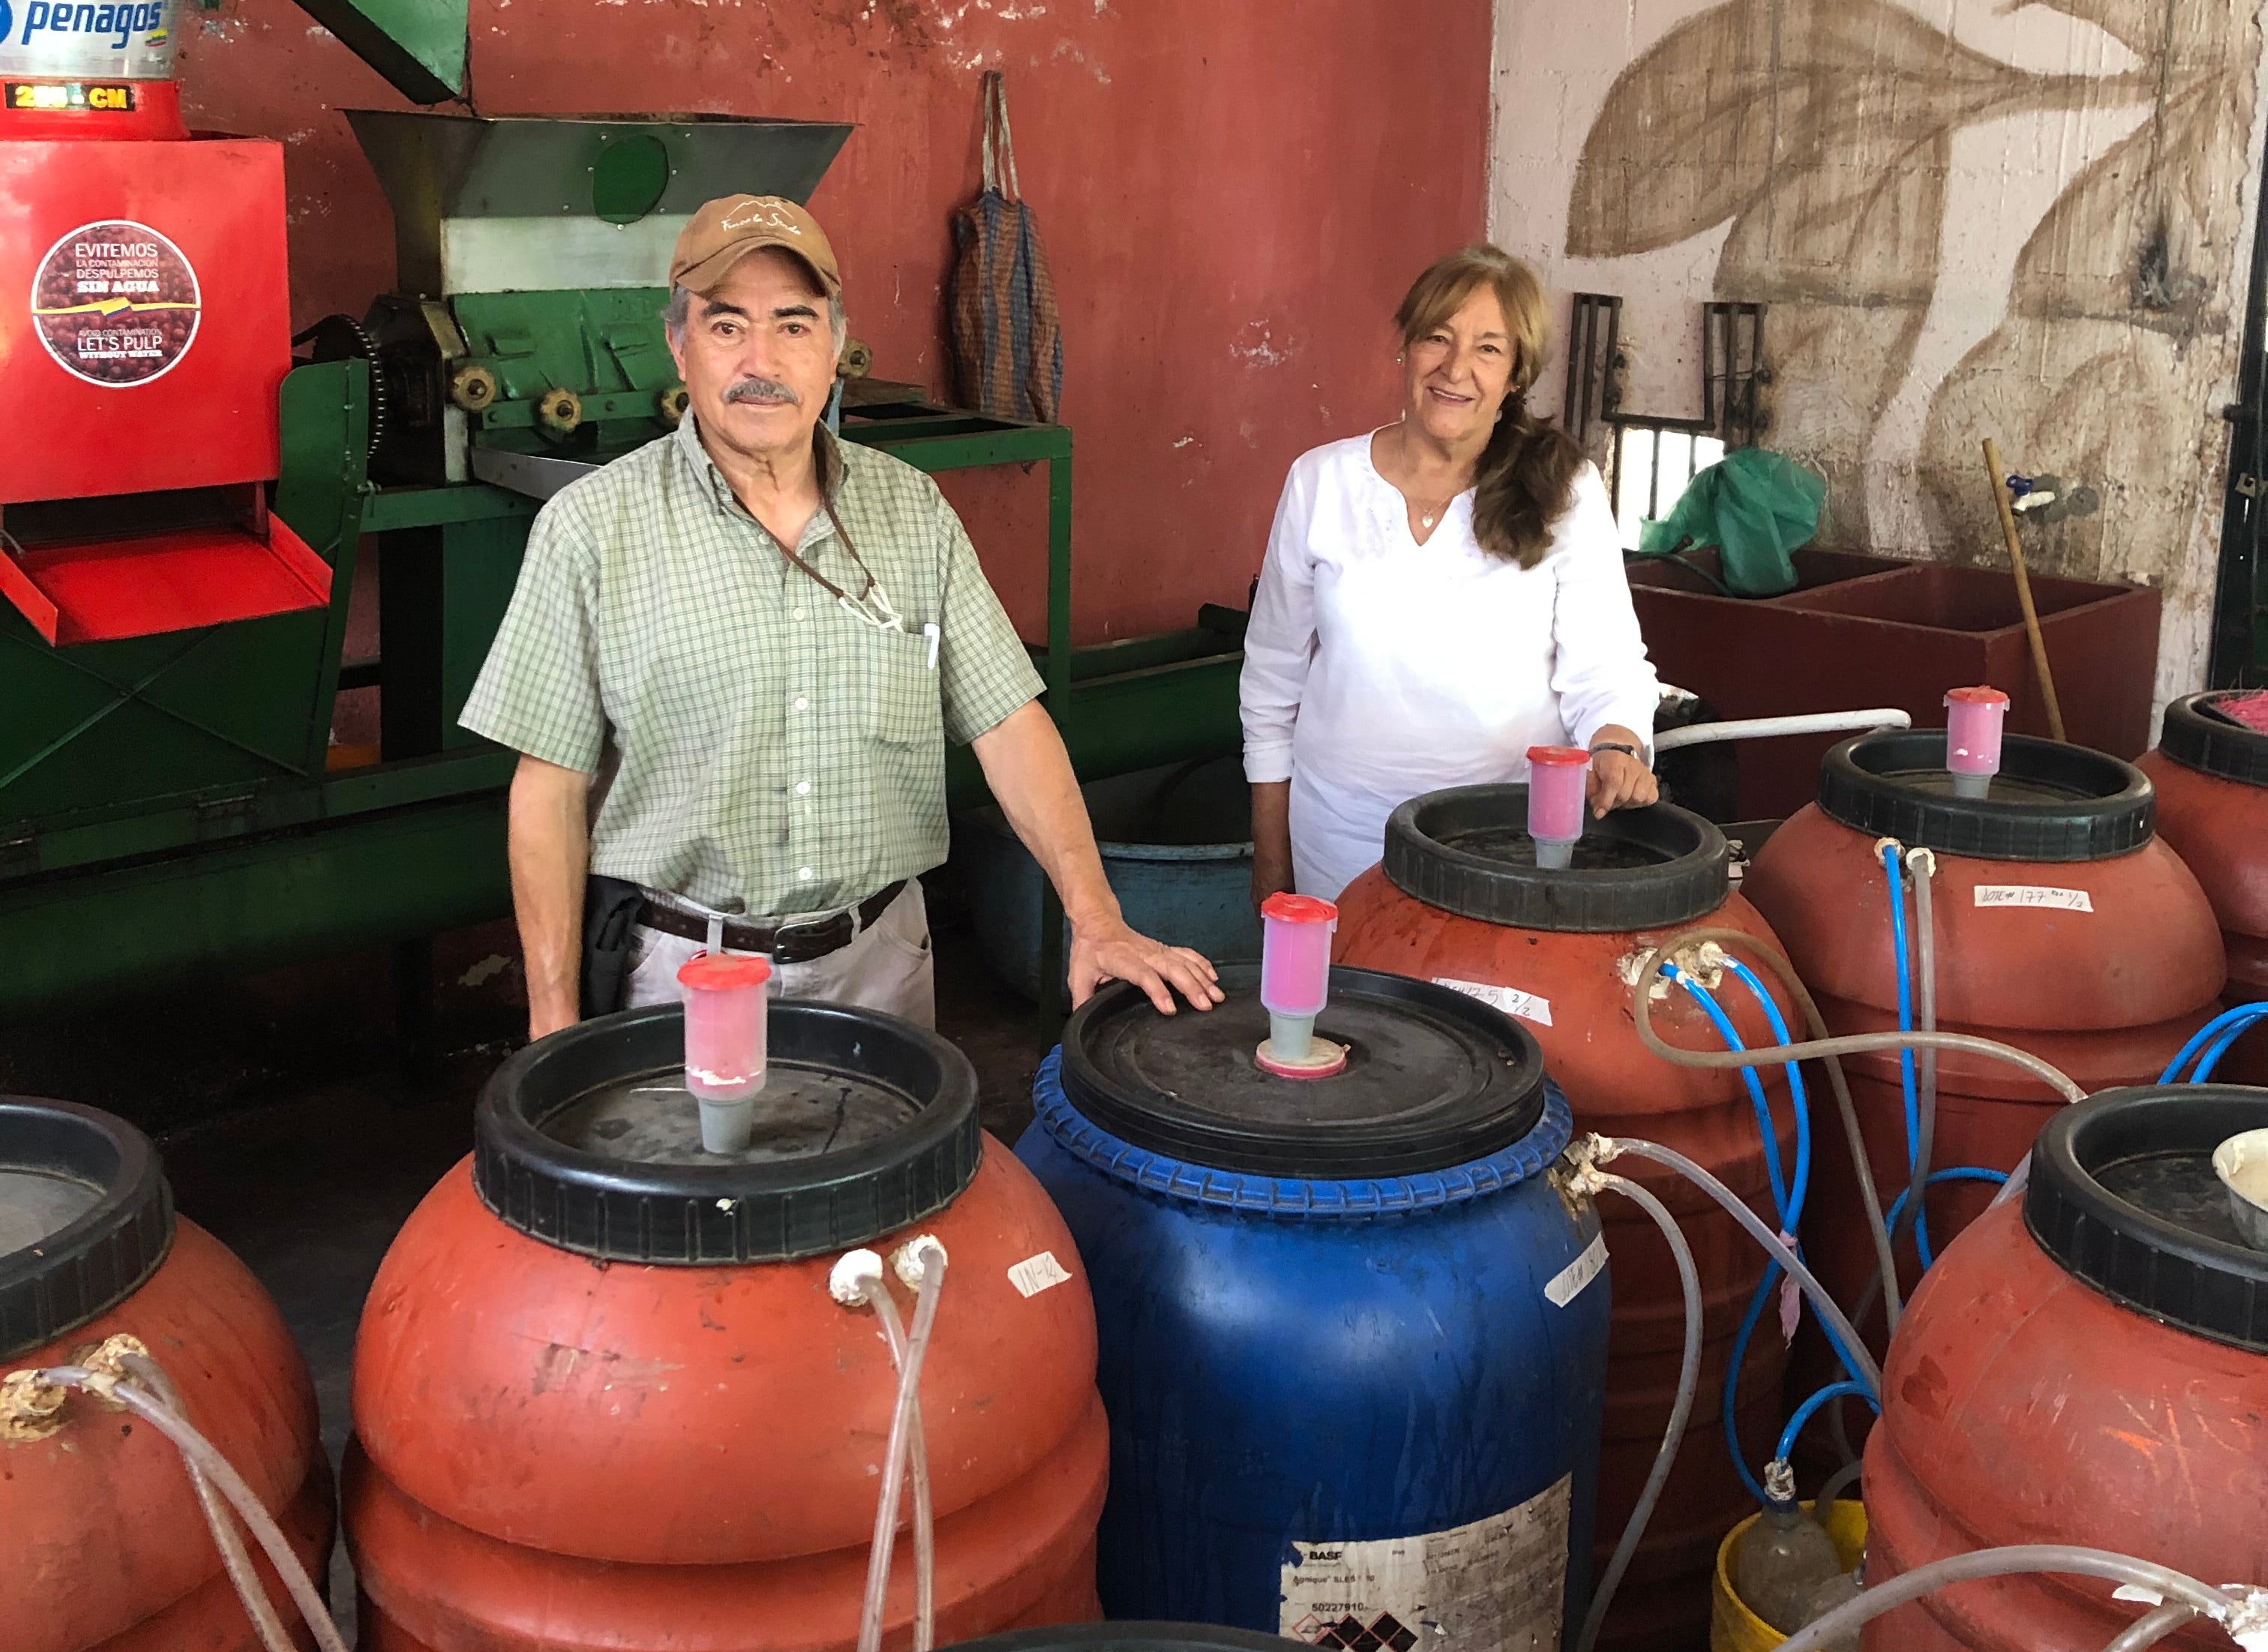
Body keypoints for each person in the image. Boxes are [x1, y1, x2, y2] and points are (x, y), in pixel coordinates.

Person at [463, 191, 1222, 1033]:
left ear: (834, 349)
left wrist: (1097, 916)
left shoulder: (913, 512)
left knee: (889, 1167)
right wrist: (553, 1019)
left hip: (882, 968)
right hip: (681, 979)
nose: (762, 358)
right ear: (679, 345)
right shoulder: (592, 528)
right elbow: (548, 792)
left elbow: (1010, 723)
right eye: (726, 326)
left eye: (793, 324)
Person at [1242, 242, 1659, 903]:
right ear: (1405, 348)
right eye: (1438, 337)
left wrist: (1617, 747)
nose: (1455, 368)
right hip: (1339, 840)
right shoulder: (1320, 482)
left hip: (1500, 843)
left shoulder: (1563, 489)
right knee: (1349, 1004)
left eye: (1488, 348)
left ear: (1517, 374)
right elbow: (1270, 685)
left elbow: (1606, 668)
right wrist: (1272, 870)